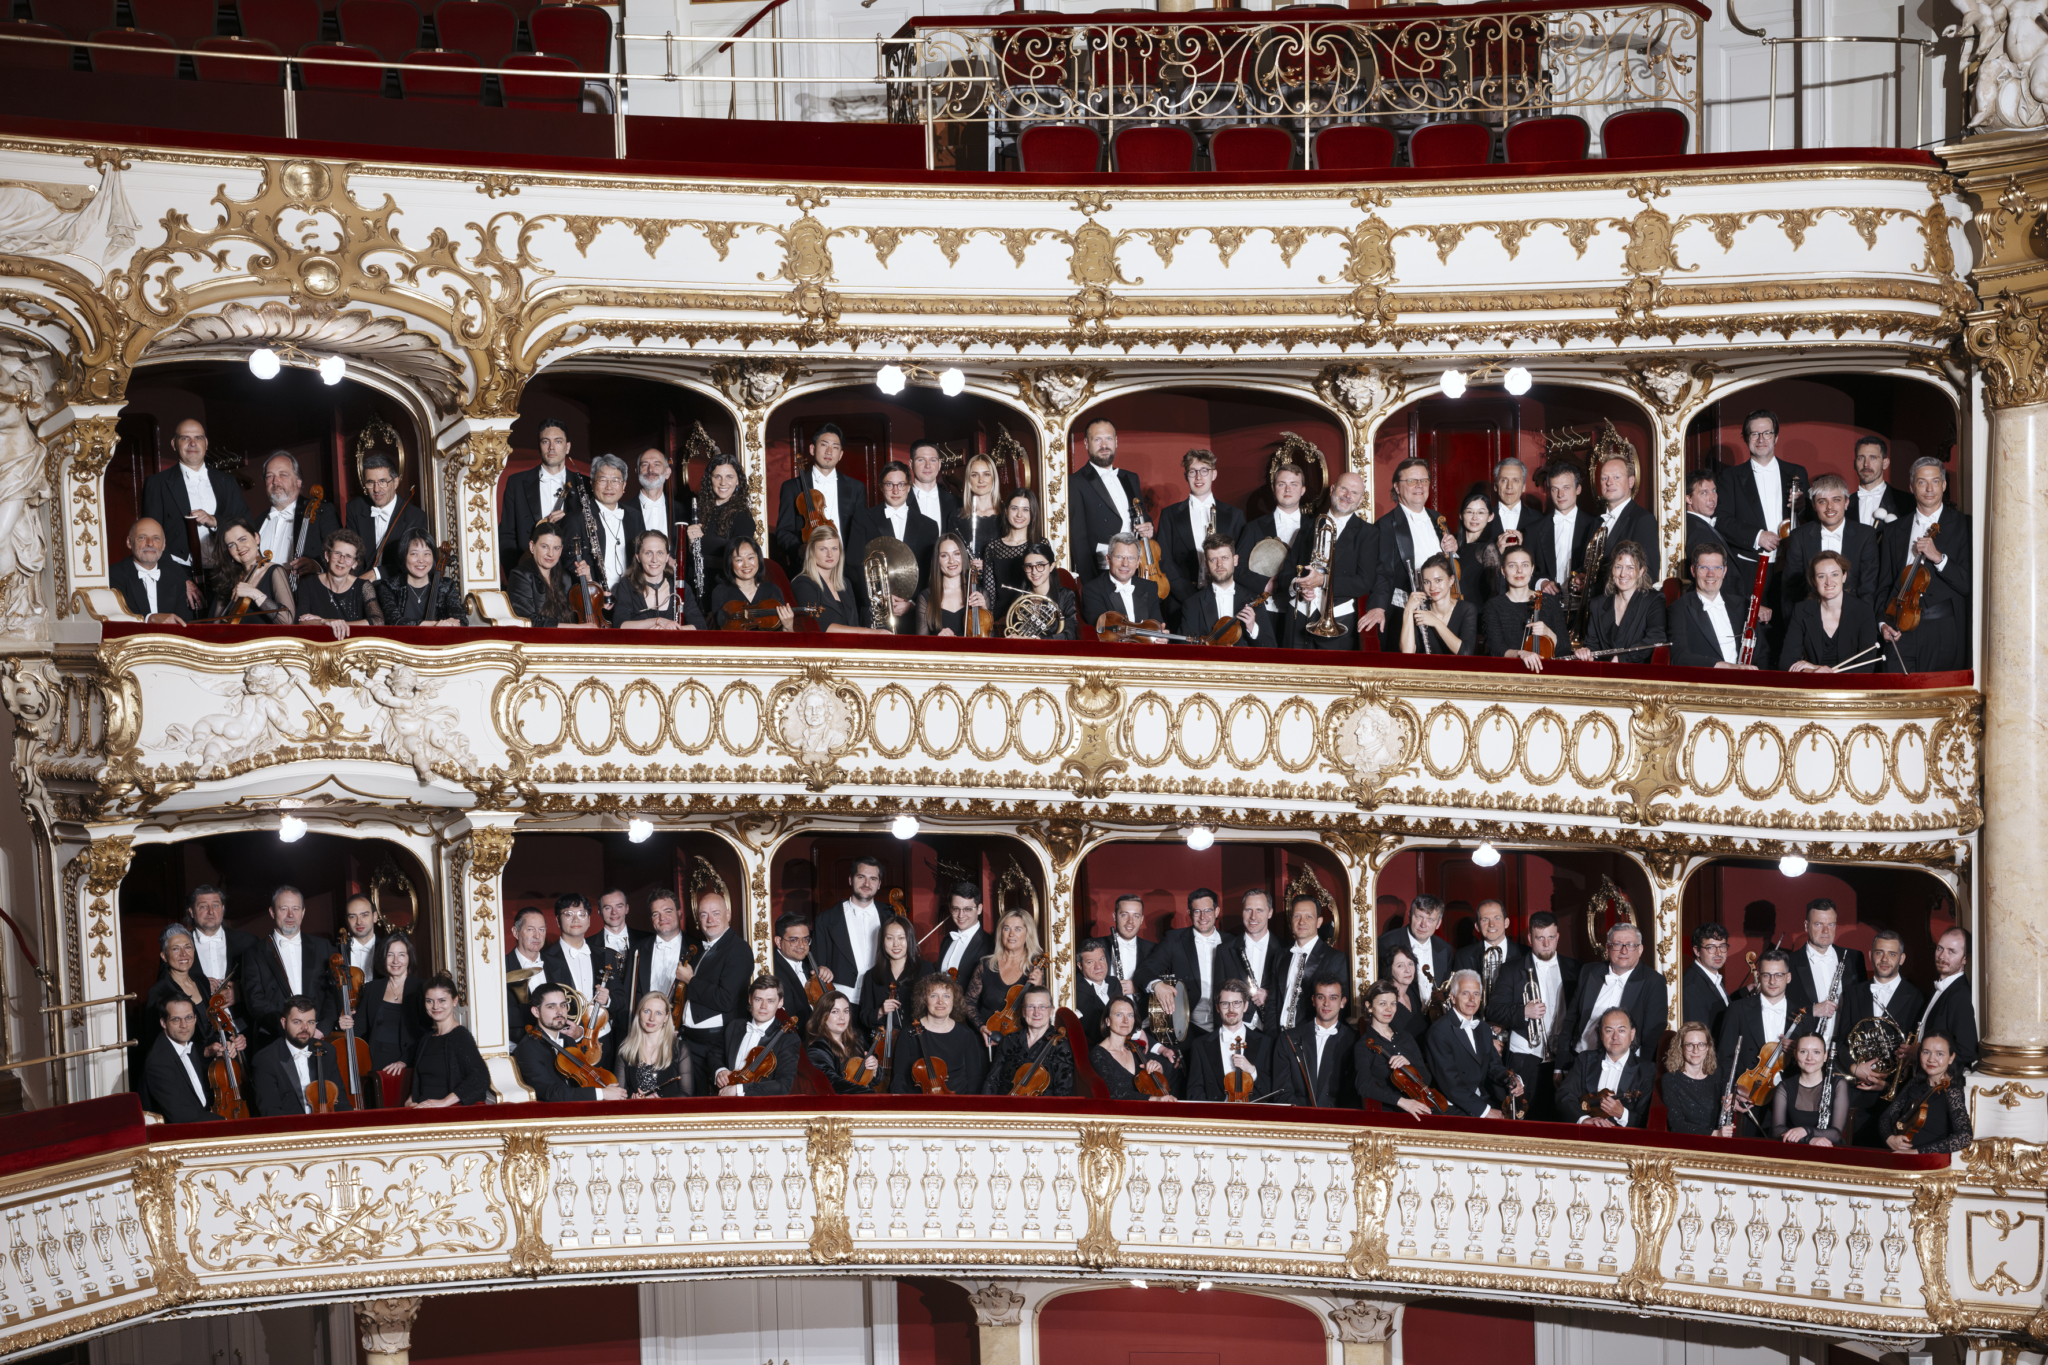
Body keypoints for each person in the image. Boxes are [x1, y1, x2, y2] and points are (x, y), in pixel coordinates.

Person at [1717, 409, 1810, 654]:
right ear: (1746, 438)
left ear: (1776, 437)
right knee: (1756, 640)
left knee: (1792, 635)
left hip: (1792, 567)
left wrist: (1804, 506)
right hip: (1752, 567)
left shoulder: (1797, 472)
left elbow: (1811, 518)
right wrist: (1758, 536)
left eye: (1767, 433)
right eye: (1754, 434)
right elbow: (1722, 520)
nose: (1761, 439)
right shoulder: (1730, 477)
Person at [1878, 457, 1972, 673]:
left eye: (1935, 481)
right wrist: (1882, 623)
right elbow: (1884, 585)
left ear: (1944, 485)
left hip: (1942, 632)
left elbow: (1968, 584)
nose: (1930, 489)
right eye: (1922, 482)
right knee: (1897, 688)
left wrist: (1939, 558)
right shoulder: (1893, 530)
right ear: (1912, 487)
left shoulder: (1965, 525)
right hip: (1900, 629)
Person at [140, 418, 251, 600]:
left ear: (206, 443)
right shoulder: (157, 483)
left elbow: (246, 524)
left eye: (198, 438)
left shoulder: (227, 481)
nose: (192, 443)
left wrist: (215, 521)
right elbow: (150, 538)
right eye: (185, 438)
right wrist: (180, 580)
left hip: (225, 572)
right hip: (180, 574)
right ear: (174, 444)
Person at [1486, 910, 1578, 1121]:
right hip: (1525, 1057)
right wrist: (1523, 1011)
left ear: (1558, 937)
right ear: (1530, 938)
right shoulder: (1512, 969)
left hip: (1562, 1058)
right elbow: (1493, 1010)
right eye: (1540, 938)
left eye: (1551, 937)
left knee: (1560, 1120)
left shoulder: (1574, 968)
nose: (1546, 944)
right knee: (1523, 1119)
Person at [1717, 948, 1818, 1137]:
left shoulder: (1804, 1016)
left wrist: (1797, 1052)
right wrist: (1730, 1094)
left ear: (1788, 977)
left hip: (1791, 1103)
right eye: (1766, 975)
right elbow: (1724, 1057)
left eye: (1779, 975)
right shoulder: (1737, 1010)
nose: (1772, 981)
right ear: (1759, 976)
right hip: (1748, 1098)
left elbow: (1813, 1064)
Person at [1840, 929, 1925, 1142]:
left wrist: (1888, 1085)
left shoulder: (1917, 997)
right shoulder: (1852, 993)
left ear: (1902, 958)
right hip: (1856, 1090)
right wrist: (1855, 1068)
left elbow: (1916, 1050)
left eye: (1892, 954)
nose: (1885, 959)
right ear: (1871, 955)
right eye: (1879, 953)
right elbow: (1840, 1042)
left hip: (1896, 1095)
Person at [241, 885, 340, 1048]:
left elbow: (333, 993)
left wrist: (321, 1028)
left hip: (318, 1037)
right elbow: (255, 1001)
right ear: (272, 912)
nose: (290, 915)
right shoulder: (254, 953)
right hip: (274, 1039)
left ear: (303, 912)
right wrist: (288, 1029)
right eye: (283, 909)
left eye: (295, 908)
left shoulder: (324, 947)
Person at [1288, 471, 1376, 650]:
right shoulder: (1307, 526)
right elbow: (1287, 571)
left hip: (1339, 618)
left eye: (1354, 492)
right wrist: (1298, 586)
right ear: (1332, 490)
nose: (1347, 495)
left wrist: (1322, 580)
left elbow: (1364, 582)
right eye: (1343, 488)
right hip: (1298, 616)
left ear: (1360, 500)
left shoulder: (1368, 533)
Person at [1159, 449, 1245, 626]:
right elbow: (1164, 560)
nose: (1198, 477)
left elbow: (1241, 558)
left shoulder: (1234, 515)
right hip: (1182, 599)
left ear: (1214, 474)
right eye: (1192, 471)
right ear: (1186, 476)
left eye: (1204, 470)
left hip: (1225, 599)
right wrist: (1190, 596)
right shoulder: (1169, 514)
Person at [1425, 970, 1524, 1117]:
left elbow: (1494, 1066)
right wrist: (1485, 1111)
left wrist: (1512, 1079)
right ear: (1453, 997)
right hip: (1452, 1107)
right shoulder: (1438, 1032)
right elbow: (1452, 1086)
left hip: (1481, 1098)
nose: (1472, 999)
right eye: (1465, 993)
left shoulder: (1483, 1028)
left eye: (1476, 994)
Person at [1564, 921, 1666, 1060]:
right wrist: (1560, 1065)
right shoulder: (1589, 971)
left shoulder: (1654, 981)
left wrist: (1638, 1069)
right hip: (1580, 1058)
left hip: (1624, 1064)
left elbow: (1651, 1035)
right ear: (1607, 948)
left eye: (1630, 945)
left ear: (1640, 949)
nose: (1624, 951)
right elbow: (1570, 1020)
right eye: (1617, 944)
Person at [773, 423, 866, 572]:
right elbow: (783, 532)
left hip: (846, 569)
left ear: (840, 454)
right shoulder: (792, 487)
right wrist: (800, 549)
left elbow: (860, 532)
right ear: (812, 449)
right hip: (807, 568)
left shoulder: (857, 488)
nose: (829, 451)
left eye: (835, 447)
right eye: (824, 445)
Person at [1068, 418, 1151, 583]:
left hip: (1137, 566)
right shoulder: (1075, 482)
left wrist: (1148, 527)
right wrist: (1090, 582)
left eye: (1108, 439)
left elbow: (1143, 516)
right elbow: (1078, 538)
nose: (1104, 445)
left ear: (1116, 441)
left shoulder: (1130, 478)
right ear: (1086, 443)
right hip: (1102, 570)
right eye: (1097, 440)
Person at [851, 460, 939, 614]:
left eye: (901, 484)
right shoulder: (862, 519)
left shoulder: (929, 526)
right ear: (881, 487)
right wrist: (878, 598)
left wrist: (913, 603)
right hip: (875, 610)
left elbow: (930, 571)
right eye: (889, 484)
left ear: (909, 487)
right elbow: (854, 565)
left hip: (914, 613)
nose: (895, 490)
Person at [1781, 473, 1881, 608]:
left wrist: (1859, 620)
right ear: (1814, 505)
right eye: (1822, 501)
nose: (1830, 507)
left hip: (1854, 612)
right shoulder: (1799, 536)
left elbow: (1868, 589)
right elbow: (1791, 589)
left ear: (1846, 502)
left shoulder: (1865, 535)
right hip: (1810, 613)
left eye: (1836, 500)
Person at [514, 981, 627, 1101]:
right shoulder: (527, 1049)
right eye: (551, 1006)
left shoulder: (567, 1039)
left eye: (563, 1005)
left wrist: (605, 1090)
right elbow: (551, 1093)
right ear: (536, 1012)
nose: (559, 1011)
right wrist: (601, 1094)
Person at [501, 418, 584, 578]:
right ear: (539, 446)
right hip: (529, 573)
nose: (551, 447)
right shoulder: (516, 483)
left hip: (573, 574)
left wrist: (569, 520)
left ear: (567, 447)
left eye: (558, 441)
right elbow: (506, 536)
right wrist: (518, 574)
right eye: (545, 441)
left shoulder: (584, 484)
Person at [251, 996, 355, 1116]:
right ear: (284, 1023)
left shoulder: (327, 1051)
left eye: (310, 1022)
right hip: (290, 1126)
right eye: (297, 1022)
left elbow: (341, 1102)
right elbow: (271, 1112)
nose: (305, 1028)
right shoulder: (265, 1059)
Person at [1786, 898, 1867, 1052]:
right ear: (1806, 926)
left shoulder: (1854, 958)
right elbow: (1779, 1009)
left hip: (1846, 1050)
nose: (1826, 931)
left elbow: (1862, 1006)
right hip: (1806, 1052)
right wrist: (1812, 1010)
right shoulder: (1789, 962)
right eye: (1818, 924)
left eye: (1831, 924)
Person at [356, 935, 428, 1107]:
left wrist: (405, 1061)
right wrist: (344, 1022)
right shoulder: (372, 988)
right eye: (390, 955)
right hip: (376, 1061)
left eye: (402, 955)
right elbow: (359, 1027)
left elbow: (427, 1033)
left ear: (409, 958)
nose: (396, 961)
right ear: (383, 957)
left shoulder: (422, 988)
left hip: (408, 1062)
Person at [1146, 888, 1229, 1034]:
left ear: (1216, 911)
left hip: (1226, 1023)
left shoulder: (1232, 942)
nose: (1202, 917)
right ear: (1189, 913)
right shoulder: (1174, 940)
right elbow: (1146, 969)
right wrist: (1157, 985)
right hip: (1187, 1026)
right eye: (1197, 911)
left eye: (1207, 910)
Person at [1185, 981, 1281, 1103]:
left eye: (1237, 1003)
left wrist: (1252, 1071)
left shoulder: (1266, 1043)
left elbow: (1274, 1091)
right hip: (1216, 1113)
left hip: (1253, 1112)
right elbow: (1194, 1092)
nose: (1231, 1009)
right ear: (1217, 1007)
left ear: (1245, 1006)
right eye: (1225, 1004)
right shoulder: (1200, 1045)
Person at [1783, 552, 1880, 672]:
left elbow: (1867, 667)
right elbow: (1786, 661)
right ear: (1814, 581)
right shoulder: (1801, 610)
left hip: (1849, 682)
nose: (1829, 582)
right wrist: (1813, 671)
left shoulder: (1863, 610)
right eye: (1821, 576)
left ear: (1844, 576)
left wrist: (1820, 670)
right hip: (1813, 681)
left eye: (1834, 574)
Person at [1557, 1007, 1653, 1128]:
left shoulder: (1647, 1070)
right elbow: (1564, 1095)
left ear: (1632, 1034)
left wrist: (1622, 1114)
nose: (1615, 1037)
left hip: (1622, 1137)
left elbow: (1647, 1119)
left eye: (1621, 1030)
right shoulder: (1584, 1059)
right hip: (1585, 1132)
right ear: (1601, 1034)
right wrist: (1584, 1119)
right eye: (1609, 1031)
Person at [253, 451, 340, 585]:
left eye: (283, 475)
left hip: (305, 594)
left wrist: (316, 565)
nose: (275, 481)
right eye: (270, 476)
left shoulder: (322, 513)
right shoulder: (256, 522)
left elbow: (340, 554)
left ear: (298, 482)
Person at [1574, 541, 1667, 665]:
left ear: (1641, 571)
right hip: (1605, 673)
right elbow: (1592, 646)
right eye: (1618, 567)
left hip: (1638, 673)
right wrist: (1586, 653)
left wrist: (1622, 659)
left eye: (1630, 567)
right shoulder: (1597, 604)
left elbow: (1657, 638)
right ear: (1612, 570)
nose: (1623, 574)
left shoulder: (1654, 600)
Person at [893, 973, 987, 1094]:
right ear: (924, 1000)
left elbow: (974, 1080)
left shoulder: (966, 1034)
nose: (940, 1001)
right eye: (933, 996)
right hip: (920, 1102)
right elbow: (899, 1078)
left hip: (957, 1101)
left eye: (946, 996)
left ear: (954, 1000)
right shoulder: (908, 1033)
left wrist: (965, 1104)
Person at [1670, 544, 1762, 669]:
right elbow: (1679, 657)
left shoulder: (1743, 605)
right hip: (1706, 679)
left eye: (1717, 568)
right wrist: (1724, 666)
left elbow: (1762, 653)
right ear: (1693, 571)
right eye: (1703, 568)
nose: (1711, 574)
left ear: (1724, 571)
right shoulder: (1679, 609)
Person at [1355, 979, 1436, 1118]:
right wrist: (1402, 1102)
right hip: (1391, 1112)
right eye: (1382, 1003)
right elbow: (1363, 1086)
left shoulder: (1406, 1037)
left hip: (1421, 1105)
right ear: (1369, 1006)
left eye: (1393, 1003)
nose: (1389, 1009)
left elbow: (1427, 1079)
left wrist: (1410, 1063)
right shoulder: (1363, 1046)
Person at [1879, 1033, 1972, 1153]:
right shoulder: (1915, 1083)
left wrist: (1917, 1152)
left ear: (1951, 1058)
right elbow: (1886, 1117)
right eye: (1926, 1052)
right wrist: (1890, 1138)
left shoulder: (1952, 1091)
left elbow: (1965, 1136)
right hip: (1900, 1154)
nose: (1931, 1059)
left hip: (1928, 1159)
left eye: (1939, 1054)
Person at [345, 452, 428, 584]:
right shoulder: (355, 508)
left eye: (382, 482)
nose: (376, 489)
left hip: (397, 585)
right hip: (360, 583)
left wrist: (376, 573)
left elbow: (413, 562)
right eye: (370, 483)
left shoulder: (416, 517)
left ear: (395, 482)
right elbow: (350, 551)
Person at [792, 525, 891, 634]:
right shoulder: (803, 583)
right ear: (811, 552)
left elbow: (854, 625)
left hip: (850, 644)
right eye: (823, 549)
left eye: (834, 548)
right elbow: (820, 627)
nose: (830, 554)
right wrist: (870, 632)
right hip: (823, 645)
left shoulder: (845, 584)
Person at [408, 973, 488, 1107]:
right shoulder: (426, 1039)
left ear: (455, 1001)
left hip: (448, 1112)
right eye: (429, 1001)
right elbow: (423, 1081)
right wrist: (410, 1101)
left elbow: (481, 1078)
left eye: (442, 1000)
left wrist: (444, 1102)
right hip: (421, 1109)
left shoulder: (460, 1036)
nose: (435, 1006)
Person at [967, 909, 1045, 1043]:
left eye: (1018, 929)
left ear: (1028, 933)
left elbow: (1043, 1011)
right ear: (1000, 933)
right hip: (986, 1038)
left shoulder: (1035, 969)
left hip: (1020, 1042)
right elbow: (968, 1002)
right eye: (1006, 928)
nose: (1011, 934)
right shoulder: (986, 965)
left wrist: (1038, 987)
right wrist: (981, 1027)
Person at [815, 857, 885, 1004]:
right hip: (842, 1000)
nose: (867, 883)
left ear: (879, 884)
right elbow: (817, 963)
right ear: (850, 880)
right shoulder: (826, 918)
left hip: (881, 997)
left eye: (873, 879)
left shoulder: (890, 915)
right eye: (861, 877)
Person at [859, 916, 925, 1069]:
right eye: (889, 938)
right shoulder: (871, 976)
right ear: (883, 941)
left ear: (909, 939)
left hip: (916, 1044)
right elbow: (864, 1016)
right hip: (882, 1047)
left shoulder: (925, 970)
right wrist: (881, 1011)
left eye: (901, 938)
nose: (896, 944)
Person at [145, 997, 225, 1123]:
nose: (184, 1025)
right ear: (163, 1023)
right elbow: (182, 1116)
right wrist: (225, 1121)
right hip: (177, 1130)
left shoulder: (189, 1046)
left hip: (200, 1121)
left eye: (189, 1017)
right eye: (176, 1019)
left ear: (195, 1019)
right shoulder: (158, 1062)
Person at [1483, 545, 1564, 669]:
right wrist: (1520, 653)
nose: (1519, 571)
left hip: (1547, 671)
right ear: (1503, 570)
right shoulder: (1493, 606)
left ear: (1532, 569)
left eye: (1525, 565)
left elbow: (1565, 648)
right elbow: (1496, 649)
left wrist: (1548, 632)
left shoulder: (1550, 602)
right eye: (1512, 565)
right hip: (1509, 671)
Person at [1528, 462, 1597, 607]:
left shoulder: (1595, 526)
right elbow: (1524, 572)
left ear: (1578, 489)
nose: (1560, 495)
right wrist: (1541, 583)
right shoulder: (1533, 530)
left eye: (1566, 487)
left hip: (1585, 607)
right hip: (1547, 607)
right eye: (1555, 489)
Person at [294, 529, 384, 639]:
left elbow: (378, 621)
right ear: (327, 555)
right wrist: (325, 622)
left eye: (348, 556)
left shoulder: (363, 586)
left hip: (352, 644)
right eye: (337, 553)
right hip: (317, 643)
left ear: (355, 563)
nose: (341, 560)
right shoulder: (308, 584)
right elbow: (300, 622)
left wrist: (338, 624)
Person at [1180, 533, 1268, 646]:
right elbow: (1184, 649)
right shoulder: (1192, 605)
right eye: (1213, 559)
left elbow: (1271, 647)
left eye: (1224, 558)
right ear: (1206, 564)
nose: (1219, 564)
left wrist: (1252, 629)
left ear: (1235, 560)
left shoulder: (1254, 600)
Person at [1589, 453, 1661, 589]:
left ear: (1631, 481)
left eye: (1616, 477)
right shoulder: (1596, 522)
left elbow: (1649, 574)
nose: (1609, 482)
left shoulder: (1642, 519)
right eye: (1604, 478)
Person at [985, 986, 1074, 1096]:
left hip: (1042, 1107)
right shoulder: (1009, 1040)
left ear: (1051, 1010)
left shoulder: (1060, 1045)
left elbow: (1063, 1092)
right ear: (1023, 1011)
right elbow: (992, 1081)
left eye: (1042, 1007)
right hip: (1005, 1104)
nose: (1036, 1013)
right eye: (1031, 1007)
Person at [1763, 1033, 1850, 1146]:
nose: (1809, 1058)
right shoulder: (1784, 1087)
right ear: (1795, 1054)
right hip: (1796, 1149)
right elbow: (1776, 1130)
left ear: (1825, 1056)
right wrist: (1808, 1140)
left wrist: (1805, 1130)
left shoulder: (1838, 1084)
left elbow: (1836, 1134)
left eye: (1816, 1052)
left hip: (1830, 1151)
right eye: (1803, 1051)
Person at [609, 530, 707, 629]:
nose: (654, 559)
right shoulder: (626, 585)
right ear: (638, 557)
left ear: (667, 557)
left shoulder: (680, 587)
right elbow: (619, 625)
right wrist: (658, 621)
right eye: (648, 553)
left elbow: (700, 626)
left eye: (660, 553)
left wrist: (669, 630)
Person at [1284, 975, 1356, 1107]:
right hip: (1297, 1114)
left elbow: (1353, 1094)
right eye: (1321, 997)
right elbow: (1282, 1091)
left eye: (1333, 998)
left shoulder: (1354, 1040)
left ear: (1343, 1002)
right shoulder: (1289, 1038)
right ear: (1313, 1000)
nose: (1326, 1003)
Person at [1273, 893, 1341, 1034]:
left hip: (1312, 1037)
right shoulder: (1281, 956)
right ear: (1291, 920)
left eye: (1308, 917)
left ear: (1319, 922)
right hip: (1279, 1037)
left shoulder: (1334, 958)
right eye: (1297, 916)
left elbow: (1336, 1007)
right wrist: (1271, 1035)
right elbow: (1272, 1001)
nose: (1301, 922)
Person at [208, 518, 295, 624]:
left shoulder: (275, 571)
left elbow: (287, 620)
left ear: (256, 538)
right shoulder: (229, 577)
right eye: (231, 545)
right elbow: (216, 622)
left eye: (242, 539)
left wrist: (254, 593)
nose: (239, 547)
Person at [690, 453, 757, 590]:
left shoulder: (743, 517)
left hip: (724, 587)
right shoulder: (699, 511)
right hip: (695, 584)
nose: (723, 483)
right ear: (710, 479)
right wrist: (690, 543)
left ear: (738, 481)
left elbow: (740, 561)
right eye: (717, 477)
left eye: (729, 477)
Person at [1080, 533, 1166, 640]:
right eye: (1119, 557)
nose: (1125, 564)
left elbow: (1157, 627)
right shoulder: (1092, 590)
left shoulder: (1150, 587)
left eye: (1131, 558)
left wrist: (1161, 637)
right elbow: (1103, 633)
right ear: (1108, 559)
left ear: (1138, 562)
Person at [568, 453, 633, 593]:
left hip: (631, 597)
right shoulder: (576, 519)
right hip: (595, 598)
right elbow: (569, 562)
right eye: (602, 480)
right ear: (592, 484)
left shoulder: (635, 516)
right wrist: (594, 589)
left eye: (615, 480)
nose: (609, 487)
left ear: (624, 485)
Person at [1092, 996, 1177, 1101]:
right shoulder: (1098, 1055)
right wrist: (1155, 1099)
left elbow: (1147, 1087)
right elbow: (1115, 1094)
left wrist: (1158, 1070)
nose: (1125, 1020)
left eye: (1130, 1015)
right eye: (1119, 1015)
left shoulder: (1134, 1048)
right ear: (1108, 1021)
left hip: (1144, 1108)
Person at [111, 517, 194, 624]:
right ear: (129, 542)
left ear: (164, 545)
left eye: (156, 538)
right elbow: (115, 619)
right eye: (142, 537)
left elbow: (184, 623)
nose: (150, 543)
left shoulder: (176, 578)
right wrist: (149, 619)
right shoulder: (113, 575)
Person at [1917, 926, 1978, 1069]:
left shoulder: (1960, 995)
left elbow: (1967, 1052)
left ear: (1965, 958)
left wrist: (1919, 1053)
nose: (1942, 956)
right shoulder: (1939, 988)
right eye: (1940, 948)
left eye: (1951, 951)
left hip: (1944, 1080)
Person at [377, 530, 465, 627]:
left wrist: (455, 623)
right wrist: (436, 624)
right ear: (403, 556)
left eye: (427, 554)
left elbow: (461, 620)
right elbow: (395, 622)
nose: (421, 560)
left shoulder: (446, 586)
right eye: (414, 554)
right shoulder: (389, 587)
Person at [707, 537, 794, 632]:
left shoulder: (773, 590)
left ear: (759, 559)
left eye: (751, 558)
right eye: (739, 560)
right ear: (730, 563)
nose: (746, 565)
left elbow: (782, 638)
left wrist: (788, 627)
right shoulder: (721, 592)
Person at [1660, 1022, 1732, 1137]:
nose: (1695, 1050)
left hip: (1719, 1141)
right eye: (1689, 1045)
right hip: (1688, 1142)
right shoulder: (1670, 1080)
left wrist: (1733, 1102)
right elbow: (1677, 1125)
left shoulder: (1718, 1074)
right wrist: (1715, 1133)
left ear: (1708, 1047)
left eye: (1701, 1044)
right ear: (1681, 1048)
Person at [186, 884, 255, 1002]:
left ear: (222, 910)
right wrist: (195, 986)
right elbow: (164, 989)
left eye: (215, 905)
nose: (210, 912)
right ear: (192, 912)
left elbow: (264, 985)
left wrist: (241, 993)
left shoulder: (248, 942)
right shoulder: (176, 945)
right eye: (203, 906)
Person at [1376, 895, 1452, 1001]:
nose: (1423, 925)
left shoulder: (1445, 949)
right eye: (1419, 916)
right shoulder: (1385, 943)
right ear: (1409, 916)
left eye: (1430, 919)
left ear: (1438, 923)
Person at [616, 991, 690, 1098]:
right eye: (647, 1011)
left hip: (669, 1108)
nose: (652, 1018)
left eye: (658, 1013)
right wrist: (632, 1100)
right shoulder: (625, 1050)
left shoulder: (680, 1048)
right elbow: (618, 1096)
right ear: (639, 1013)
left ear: (666, 1017)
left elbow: (686, 1093)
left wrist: (661, 1103)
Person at [1398, 553, 1476, 655]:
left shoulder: (1467, 610)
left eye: (1438, 580)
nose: (1432, 587)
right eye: (1426, 582)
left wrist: (1436, 622)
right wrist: (1408, 611)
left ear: (1451, 580)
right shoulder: (1419, 609)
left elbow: (1466, 653)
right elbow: (1407, 653)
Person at [628, 447, 684, 586]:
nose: (650, 469)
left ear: (667, 473)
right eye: (644, 465)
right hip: (634, 586)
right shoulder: (623, 511)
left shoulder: (683, 511)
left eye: (656, 464)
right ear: (637, 472)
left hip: (673, 585)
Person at [916, 532, 987, 637]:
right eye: (944, 555)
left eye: (956, 554)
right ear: (937, 560)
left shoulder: (980, 594)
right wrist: (938, 641)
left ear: (963, 556)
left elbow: (988, 643)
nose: (951, 560)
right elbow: (920, 644)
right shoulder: (925, 598)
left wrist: (985, 612)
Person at [808, 991, 880, 1094]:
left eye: (846, 1011)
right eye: (835, 1011)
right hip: (838, 1103)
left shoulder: (858, 1040)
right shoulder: (817, 1048)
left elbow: (875, 1079)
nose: (842, 1017)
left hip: (862, 1100)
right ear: (823, 1016)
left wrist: (875, 1069)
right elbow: (831, 1082)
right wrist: (868, 1094)